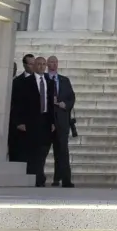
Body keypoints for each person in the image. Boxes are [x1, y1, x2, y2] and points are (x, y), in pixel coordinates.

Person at [7, 53, 52, 185]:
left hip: (45, 122)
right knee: (30, 151)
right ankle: (34, 177)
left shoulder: (50, 82)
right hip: (30, 121)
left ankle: (39, 177)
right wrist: (18, 122)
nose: (40, 67)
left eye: (44, 64)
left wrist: (53, 122)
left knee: (41, 151)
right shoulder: (23, 83)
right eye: (37, 64)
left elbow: (50, 104)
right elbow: (18, 103)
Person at [45, 54, 77, 187]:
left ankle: (64, 179)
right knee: (43, 150)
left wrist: (66, 105)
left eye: (55, 62)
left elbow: (71, 97)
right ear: (47, 65)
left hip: (62, 120)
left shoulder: (64, 80)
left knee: (62, 151)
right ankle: (38, 177)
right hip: (47, 120)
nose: (53, 64)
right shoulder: (43, 79)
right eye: (51, 62)